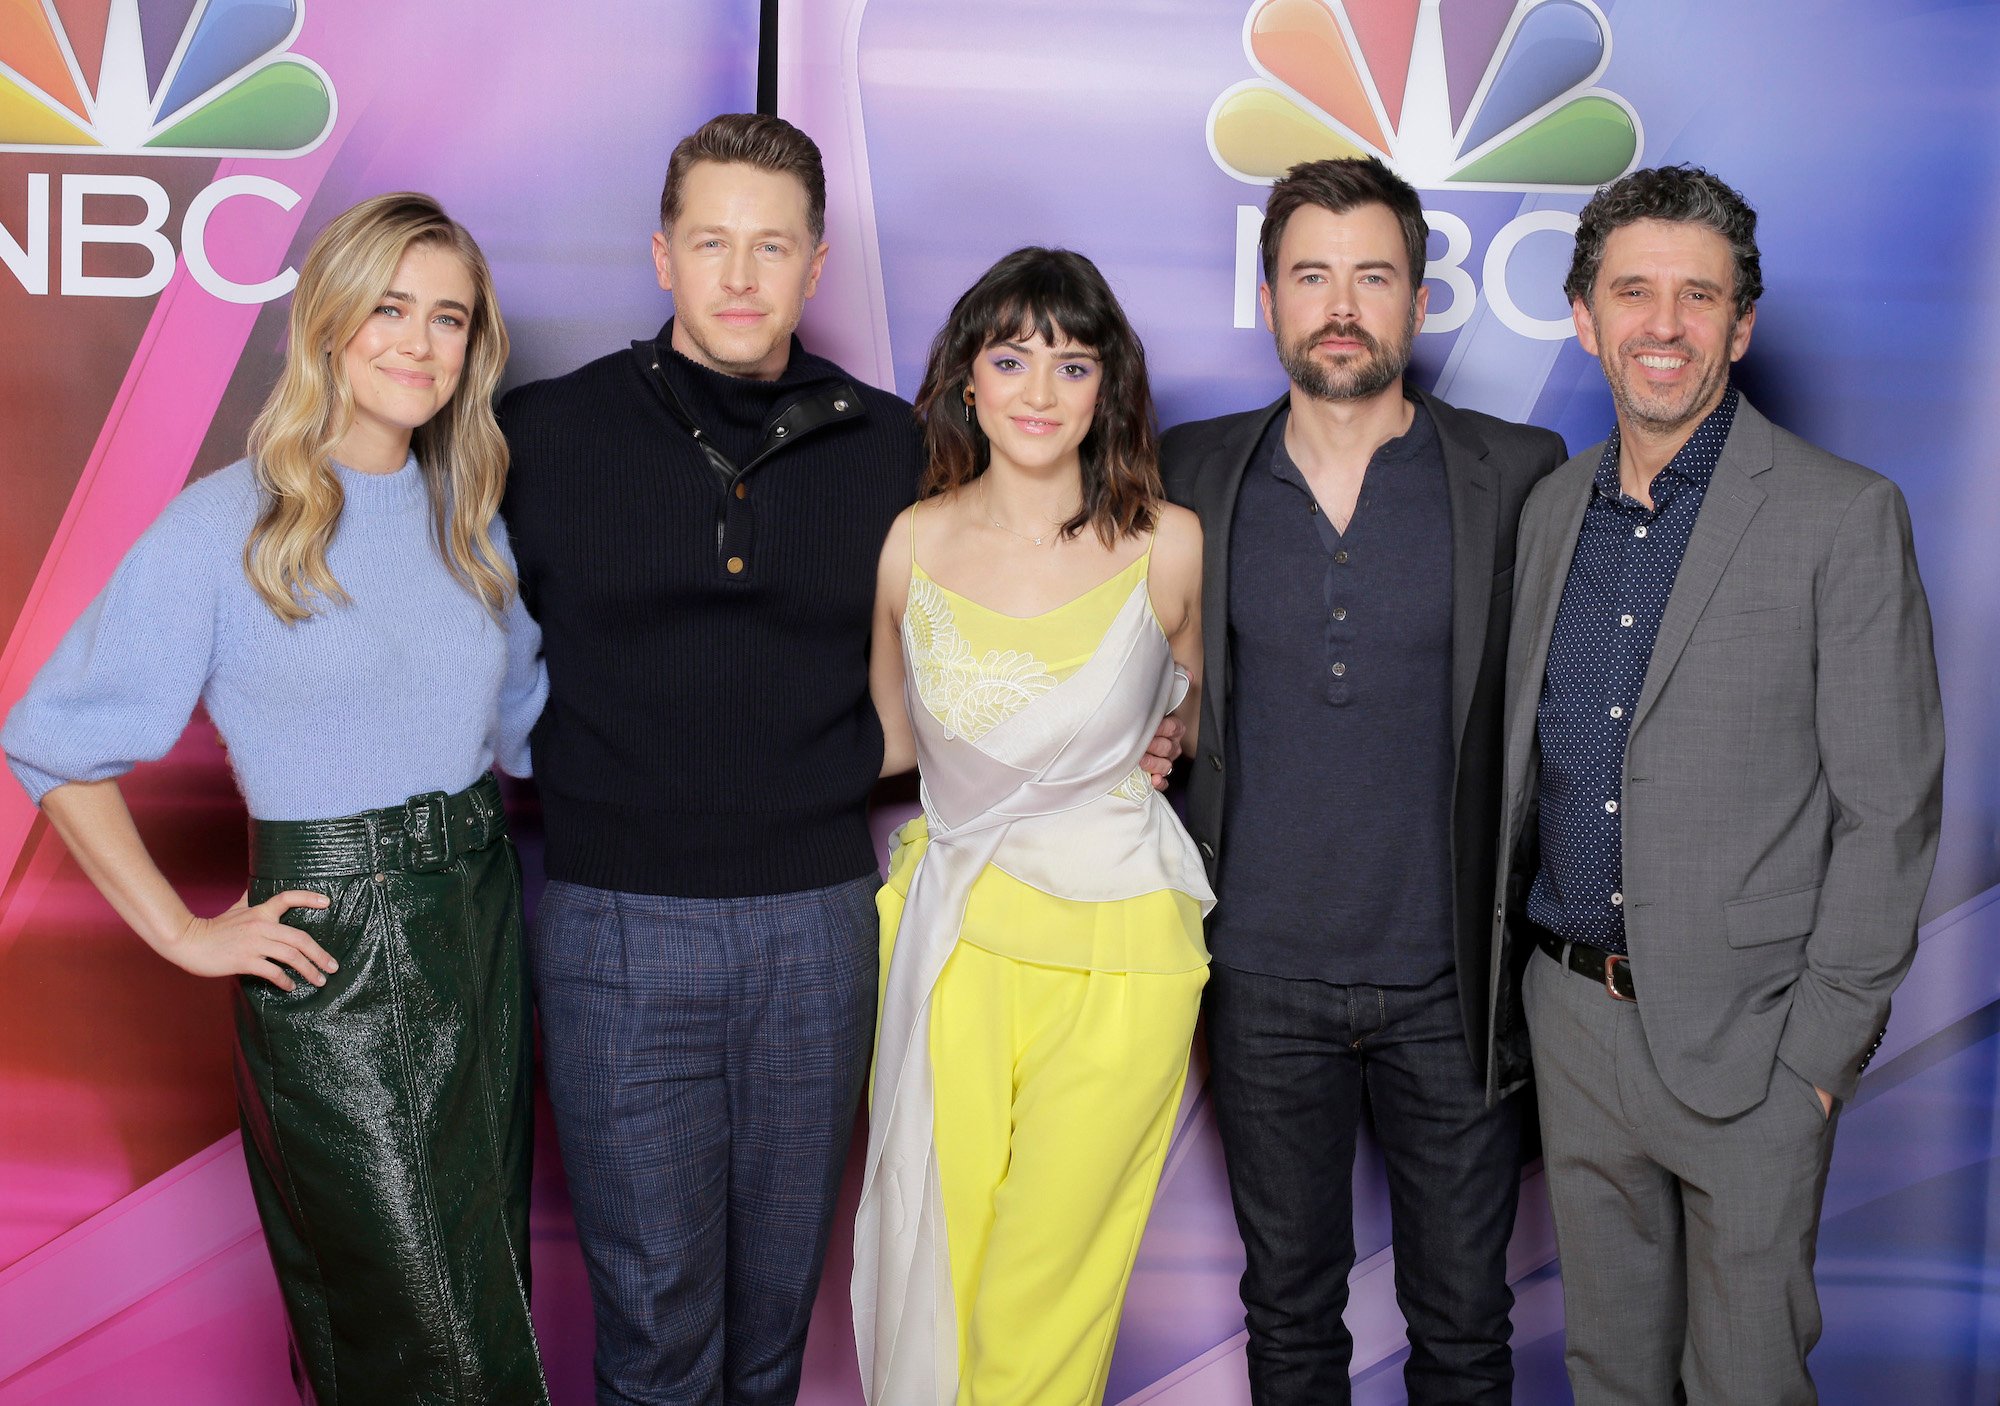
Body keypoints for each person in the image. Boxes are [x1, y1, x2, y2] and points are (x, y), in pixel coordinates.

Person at [1, 193, 550, 1404]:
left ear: (473, 346)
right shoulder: (230, 524)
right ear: (330, 323)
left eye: (447, 317)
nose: (418, 342)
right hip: (340, 958)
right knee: (434, 1346)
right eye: (390, 309)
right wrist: (185, 929)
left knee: (473, 1296)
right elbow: (50, 739)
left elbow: (522, 732)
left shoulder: (473, 527)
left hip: (481, 926)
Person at [1492, 165, 1944, 1403]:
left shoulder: (1838, 516)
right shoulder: (1544, 514)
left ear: (1739, 325)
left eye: (1699, 295)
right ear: (1581, 316)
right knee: (1609, 1370)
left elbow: (1888, 809)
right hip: (1573, 1021)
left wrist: (1814, 1059)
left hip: (1754, 1039)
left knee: (1744, 1376)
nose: (1664, 323)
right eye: (1631, 291)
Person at [496, 114, 921, 1406]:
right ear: (663, 256)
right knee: (654, 1323)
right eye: (713, 242)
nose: (743, 276)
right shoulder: (539, 435)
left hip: (816, 921)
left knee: (772, 1320)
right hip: (618, 924)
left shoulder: (900, 448)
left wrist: (1146, 717)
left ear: (816, 264)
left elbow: (1013, 612)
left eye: (773, 246)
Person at [1159, 156, 1566, 1406]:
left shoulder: (1517, 471)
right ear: (1271, 295)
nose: (1341, 304)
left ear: (1419, 300)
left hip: (1450, 980)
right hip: (1259, 977)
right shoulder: (1190, 471)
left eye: (1372, 276)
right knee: (1287, 1320)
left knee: (1461, 1327)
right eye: (1311, 275)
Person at [853, 247, 1210, 1406]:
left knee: (1043, 1294)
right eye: (1010, 358)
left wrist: (1159, 743)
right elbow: (887, 743)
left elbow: (1195, 721)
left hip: (1119, 945)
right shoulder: (911, 541)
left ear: (1106, 385)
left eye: (1070, 360)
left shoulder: (1169, 545)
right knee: (935, 1266)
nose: (1039, 391)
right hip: (950, 935)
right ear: (967, 379)